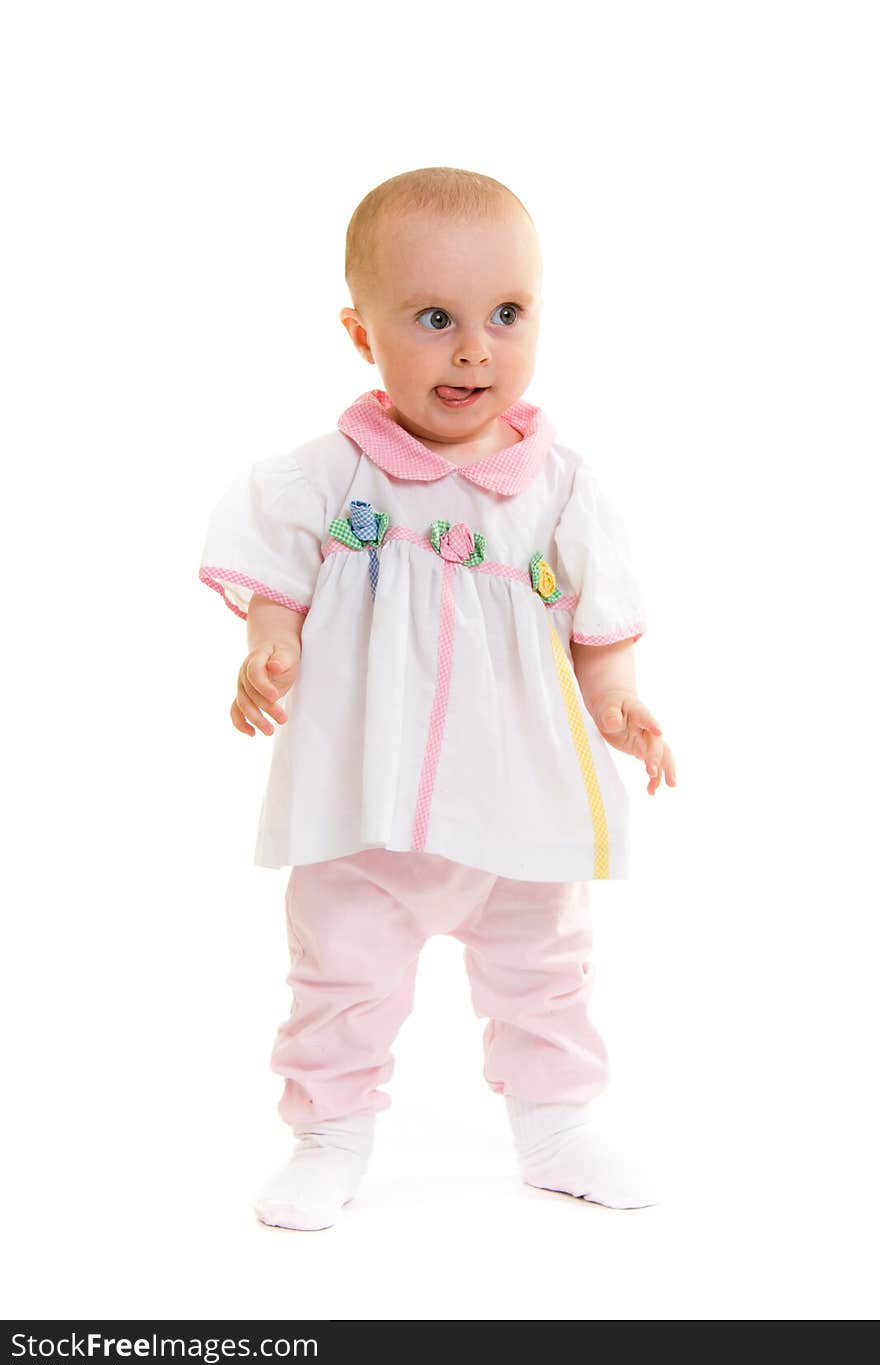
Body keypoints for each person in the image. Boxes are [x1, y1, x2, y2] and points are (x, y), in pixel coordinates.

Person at [198, 166, 676, 1231]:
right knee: (342, 971)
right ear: (360, 332)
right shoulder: (332, 477)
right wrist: (268, 644)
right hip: (368, 801)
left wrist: (621, 702)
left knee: (546, 969)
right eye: (433, 317)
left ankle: (556, 1124)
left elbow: (596, 628)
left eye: (506, 314)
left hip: (522, 800)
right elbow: (274, 574)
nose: (474, 348)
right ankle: (328, 1136)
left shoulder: (561, 487)